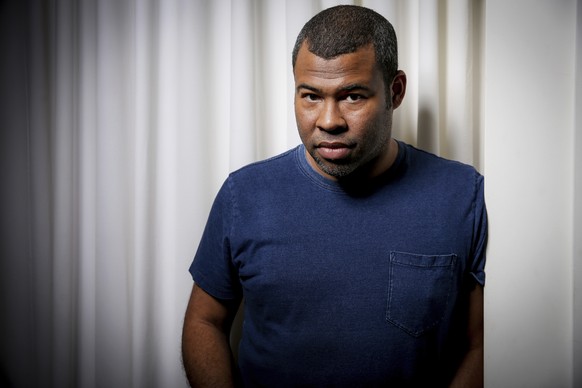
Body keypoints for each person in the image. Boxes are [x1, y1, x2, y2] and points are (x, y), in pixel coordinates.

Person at [182, 5, 487, 387]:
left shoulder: (462, 195)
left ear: (395, 91)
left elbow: (480, 344)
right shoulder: (244, 195)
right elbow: (204, 320)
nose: (328, 121)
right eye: (310, 96)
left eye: (353, 96)